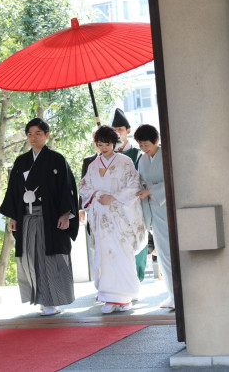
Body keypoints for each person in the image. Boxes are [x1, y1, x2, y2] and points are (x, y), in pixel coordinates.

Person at [0, 118, 79, 316]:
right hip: (27, 217)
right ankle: (40, 298)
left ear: (47, 135)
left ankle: (53, 301)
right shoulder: (21, 161)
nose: (33, 138)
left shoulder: (57, 160)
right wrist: (13, 217)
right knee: (31, 258)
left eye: (38, 134)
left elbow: (66, 189)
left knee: (50, 258)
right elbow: (14, 192)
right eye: (30, 134)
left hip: (50, 217)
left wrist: (66, 214)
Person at [79, 126, 147, 314]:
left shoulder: (125, 161)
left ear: (114, 143)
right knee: (104, 254)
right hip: (101, 215)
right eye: (100, 145)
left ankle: (124, 297)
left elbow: (134, 184)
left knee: (122, 253)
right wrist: (98, 194)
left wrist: (114, 197)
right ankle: (108, 296)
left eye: (107, 144)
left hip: (120, 214)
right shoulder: (93, 165)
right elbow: (84, 186)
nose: (104, 148)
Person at [134, 124, 175, 309]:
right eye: (141, 145)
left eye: (146, 145)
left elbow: (173, 180)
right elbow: (141, 182)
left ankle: (178, 294)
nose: (144, 148)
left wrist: (150, 190)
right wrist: (145, 190)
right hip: (153, 209)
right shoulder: (142, 160)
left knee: (171, 252)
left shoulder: (167, 154)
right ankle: (172, 294)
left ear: (156, 140)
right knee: (163, 254)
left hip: (168, 207)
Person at [111, 108, 147, 282]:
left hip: (134, 205)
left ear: (128, 131)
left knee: (137, 241)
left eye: (120, 129)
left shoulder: (137, 154)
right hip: (114, 207)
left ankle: (137, 280)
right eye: (114, 129)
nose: (117, 133)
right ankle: (121, 283)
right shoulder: (107, 155)